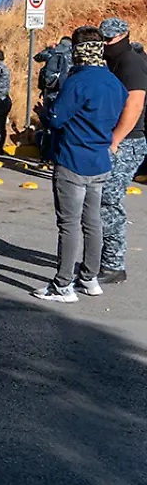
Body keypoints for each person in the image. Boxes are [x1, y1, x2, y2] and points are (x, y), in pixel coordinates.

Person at [29, 27, 128, 302]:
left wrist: (44, 113)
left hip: (72, 160)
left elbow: (57, 118)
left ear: (77, 51)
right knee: (92, 222)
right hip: (99, 161)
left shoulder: (77, 81)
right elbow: (123, 105)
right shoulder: (112, 81)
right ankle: (89, 278)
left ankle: (63, 285)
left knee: (69, 224)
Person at [98, 17, 147, 285]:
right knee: (104, 199)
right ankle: (105, 258)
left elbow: (135, 104)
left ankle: (114, 264)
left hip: (128, 141)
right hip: (121, 140)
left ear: (123, 36)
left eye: (110, 39)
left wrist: (115, 140)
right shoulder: (117, 60)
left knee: (109, 200)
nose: (106, 44)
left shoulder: (130, 63)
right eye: (103, 39)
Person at [35, 36, 73, 163]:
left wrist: (49, 48)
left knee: (47, 124)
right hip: (66, 95)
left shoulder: (54, 52)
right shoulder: (75, 54)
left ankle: (45, 157)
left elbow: (37, 57)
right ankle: (58, 156)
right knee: (62, 126)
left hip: (50, 94)